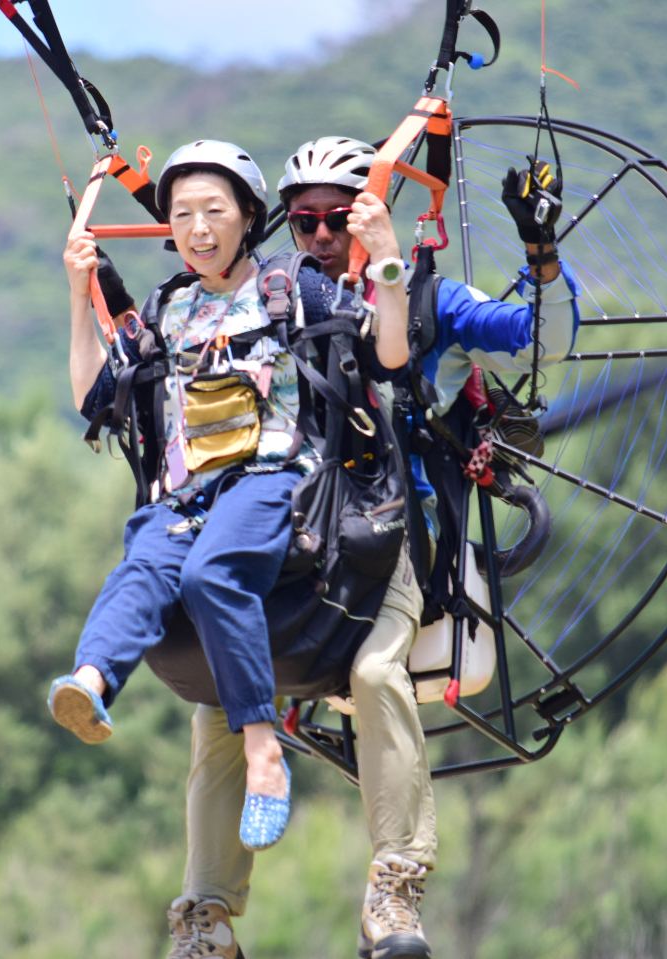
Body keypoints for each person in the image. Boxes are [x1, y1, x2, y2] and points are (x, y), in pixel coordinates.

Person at [161, 137, 579, 959]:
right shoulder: (277, 301)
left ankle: (395, 888)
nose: (318, 235)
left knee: (375, 670)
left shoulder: (429, 302)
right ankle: (205, 917)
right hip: (289, 540)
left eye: (338, 218)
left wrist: (541, 253)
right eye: (304, 219)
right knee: (219, 694)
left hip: (389, 543)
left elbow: (543, 341)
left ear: (372, 215)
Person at [49, 140, 412, 855]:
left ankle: (262, 752)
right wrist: (76, 294)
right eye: (182, 214)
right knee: (144, 563)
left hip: (273, 478)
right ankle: (90, 681)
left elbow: (388, 354)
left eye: (214, 210)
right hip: (188, 491)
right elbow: (94, 396)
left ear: (249, 216)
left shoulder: (295, 287)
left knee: (211, 573)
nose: (197, 226)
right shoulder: (167, 308)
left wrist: (388, 260)